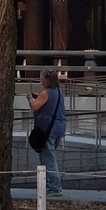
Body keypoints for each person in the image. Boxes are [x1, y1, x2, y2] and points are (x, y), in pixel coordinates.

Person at [27, 70, 68, 198]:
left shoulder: (46, 93)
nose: (41, 80)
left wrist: (29, 99)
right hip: (59, 128)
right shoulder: (59, 92)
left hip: (48, 129)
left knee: (48, 158)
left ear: (48, 80)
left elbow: (35, 106)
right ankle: (49, 185)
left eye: (42, 78)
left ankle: (55, 187)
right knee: (47, 157)